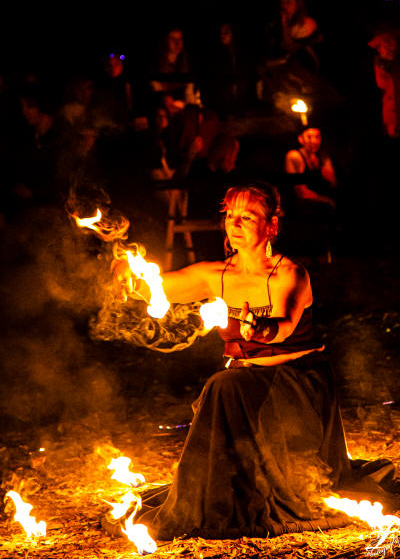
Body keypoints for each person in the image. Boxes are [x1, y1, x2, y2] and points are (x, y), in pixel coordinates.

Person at [112, 183, 400, 540]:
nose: (236, 223)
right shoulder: (216, 274)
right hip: (246, 387)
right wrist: (130, 276)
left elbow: (284, 326)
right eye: (231, 215)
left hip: (296, 387)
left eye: (248, 217)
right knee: (227, 383)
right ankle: (211, 494)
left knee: (223, 384)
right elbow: (159, 286)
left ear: (271, 227)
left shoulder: (289, 275)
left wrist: (261, 329)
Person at [284, 126, 337, 207]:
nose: (314, 141)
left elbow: (333, 183)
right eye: (309, 137)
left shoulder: (323, 156)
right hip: (299, 206)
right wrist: (327, 201)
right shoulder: (294, 155)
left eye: (317, 137)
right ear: (300, 139)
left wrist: (320, 167)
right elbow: (299, 192)